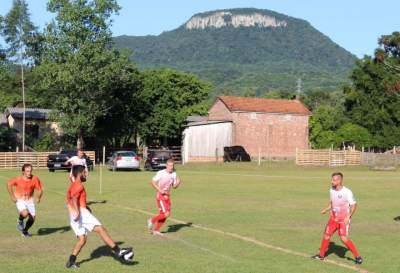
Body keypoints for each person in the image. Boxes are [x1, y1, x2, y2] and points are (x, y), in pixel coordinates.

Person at [65, 165, 133, 268]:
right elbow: (74, 199)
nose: (86, 174)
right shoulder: (79, 185)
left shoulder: (72, 185)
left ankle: (71, 261)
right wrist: (79, 212)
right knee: (101, 229)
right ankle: (119, 251)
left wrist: (83, 207)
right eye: (84, 172)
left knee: (82, 239)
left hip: (72, 215)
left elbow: (72, 199)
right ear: (79, 174)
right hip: (81, 213)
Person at [312, 172, 363, 264]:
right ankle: (321, 255)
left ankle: (358, 257)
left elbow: (354, 205)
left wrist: (349, 216)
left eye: (334, 180)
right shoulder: (331, 190)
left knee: (343, 238)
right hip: (333, 218)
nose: (332, 181)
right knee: (326, 235)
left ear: (339, 181)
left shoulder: (347, 192)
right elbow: (332, 203)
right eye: (332, 179)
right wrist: (326, 209)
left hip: (343, 220)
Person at [6, 163, 43, 237]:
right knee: (25, 213)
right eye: (27, 171)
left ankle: (25, 231)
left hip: (29, 200)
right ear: (23, 172)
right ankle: (20, 220)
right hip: (20, 199)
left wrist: (38, 197)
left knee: (32, 219)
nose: (29, 173)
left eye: (30, 171)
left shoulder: (35, 178)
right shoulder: (18, 179)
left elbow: (40, 190)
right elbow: (8, 184)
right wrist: (12, 196)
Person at [147, 159, 181, 235]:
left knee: (164, 215)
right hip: (160, 196)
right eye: (169, 165)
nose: (171, 167)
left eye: (172, 165)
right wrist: (160, 190)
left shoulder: (174, 174)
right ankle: (151, 220)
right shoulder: (161, 173)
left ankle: (156, 230)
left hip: (167, 196)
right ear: (166, 166)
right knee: (166, 213)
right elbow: (152, 182)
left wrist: (178, 183)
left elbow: (174, 186)